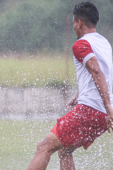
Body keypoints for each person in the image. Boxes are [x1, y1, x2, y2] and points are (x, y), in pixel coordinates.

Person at [28, 2, 113, 170]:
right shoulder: (104, 43)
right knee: (65, 150)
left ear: (78, 23)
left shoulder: (81, 44)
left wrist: (108, 106)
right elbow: (104, 73)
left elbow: (96, 72)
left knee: (43, 148)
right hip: (101, 112)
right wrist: (82, 94)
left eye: (74, 23)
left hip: (91, 110)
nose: (74, 27)